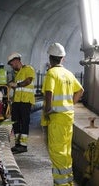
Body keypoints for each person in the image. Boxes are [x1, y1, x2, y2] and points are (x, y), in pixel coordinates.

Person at [41, 43, 84, 185]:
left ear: (50, 58)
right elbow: (80, 90)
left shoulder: (52, 73)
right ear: (62, 58)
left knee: (57, 152)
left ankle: (61, 184)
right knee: (66, 151)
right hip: (68, 119)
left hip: (57, 120)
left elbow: (49, 92)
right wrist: (70, 104)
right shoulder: (69, 74)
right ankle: (69, 182)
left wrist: (48, 109)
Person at [8, 52, 35, 154]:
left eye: (12, 64)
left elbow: (28, 81)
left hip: (26, 101)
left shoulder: (29, 69)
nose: (11, 66)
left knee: (24, 123)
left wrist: (17, 84)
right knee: (15, 122)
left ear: (16, 61)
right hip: (17, 101)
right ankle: (17, 144)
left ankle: (23, 146)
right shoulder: (17, 73)